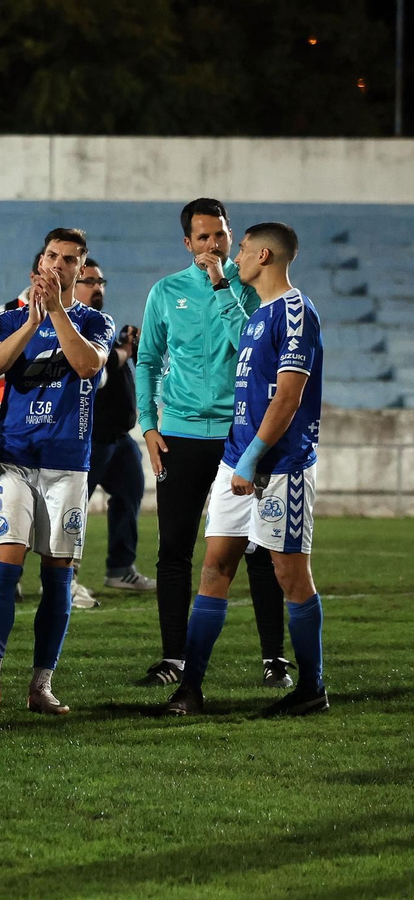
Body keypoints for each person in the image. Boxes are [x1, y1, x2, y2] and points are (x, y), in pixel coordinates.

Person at [161, 222, 328, 718]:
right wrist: (239, 457)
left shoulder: (297, 311)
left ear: (266, 254)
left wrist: (254, 458)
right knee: (214, 568)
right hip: (237, 461)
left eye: (245, 252)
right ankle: (190, 689)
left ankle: (311, 688)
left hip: (281, 467)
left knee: (289, 573)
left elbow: (289, 395)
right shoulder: (257, 317)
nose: (235, 259)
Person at [135, 199, 291, 690]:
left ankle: (273, 659)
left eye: (220, 236)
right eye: (202, 238)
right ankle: (174, 660)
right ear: (188, 243)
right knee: (174, 550)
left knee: (258, 549)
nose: (213, 245)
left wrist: (223, 285)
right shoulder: (166, 292)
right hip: (179, 435)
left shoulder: (247, 291)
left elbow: (246, 340)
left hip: (237, 433)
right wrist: (147, 424)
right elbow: (147, 360)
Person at [0, 229, 114, 716]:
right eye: (53, 256)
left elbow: (88, 366)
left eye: (70, 259)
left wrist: (56, 315)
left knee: (57, 576)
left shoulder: (96, 322)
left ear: (79, 268)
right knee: (4, 567)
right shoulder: (6, 316)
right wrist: (30, 323)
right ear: (40, 262)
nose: (60, 264)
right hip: (15, 460)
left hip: (68, 465)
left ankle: (41, 683)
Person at [75, 258, 155, 597]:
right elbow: (96, 369)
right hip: (87, 438)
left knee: (129, 494)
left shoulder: (102, 324)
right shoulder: (73, 326)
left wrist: (128, 343)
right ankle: (66, 574)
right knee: (72, 508)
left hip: (119, 439)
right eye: (90, 281)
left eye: (101, 281)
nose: (98, 287)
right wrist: (124, 348)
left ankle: (121, 569)